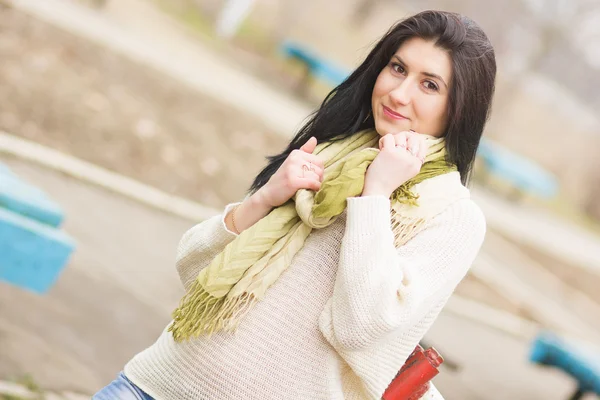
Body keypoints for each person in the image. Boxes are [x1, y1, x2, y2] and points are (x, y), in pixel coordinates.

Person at [93, 9, 496, 400]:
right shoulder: (333, 152)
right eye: (397, 68)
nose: (399, 92)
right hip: (153, 384)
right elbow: (192, 266)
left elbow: (362, 327)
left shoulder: (454, 216)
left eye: (430, 85)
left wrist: (375, 194)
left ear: (460, 107)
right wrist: (267, 197)